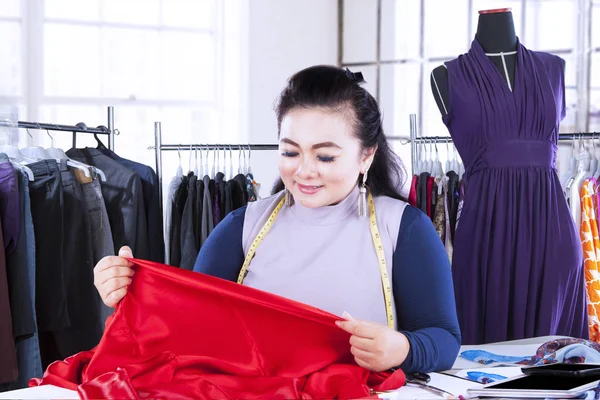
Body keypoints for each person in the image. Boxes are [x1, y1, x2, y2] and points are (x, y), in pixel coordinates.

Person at [94, 65, 461, 374]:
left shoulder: (405, 229)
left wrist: (404, 349)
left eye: (326, 157)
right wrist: (131, 290)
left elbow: (444, 339)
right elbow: (190, 329)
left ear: (366, 156)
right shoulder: (240, 228)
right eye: (290, 152)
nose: (304, 171)